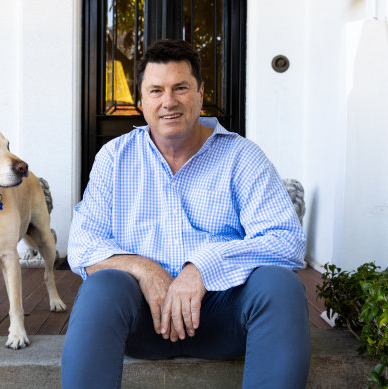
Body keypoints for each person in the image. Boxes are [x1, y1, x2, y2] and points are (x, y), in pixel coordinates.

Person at [62, 39, 310, 388]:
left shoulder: (242, 157)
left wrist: (202, 268)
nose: (169, 101)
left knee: (281, 285)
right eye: (156, 91)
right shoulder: (114, 158)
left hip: (223, 317)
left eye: (181, 88)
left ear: (200, 93)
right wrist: (145, 269)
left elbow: (286, 241)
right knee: (102, 286)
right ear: (141, 102)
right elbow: (82, 246)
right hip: (143, 320)